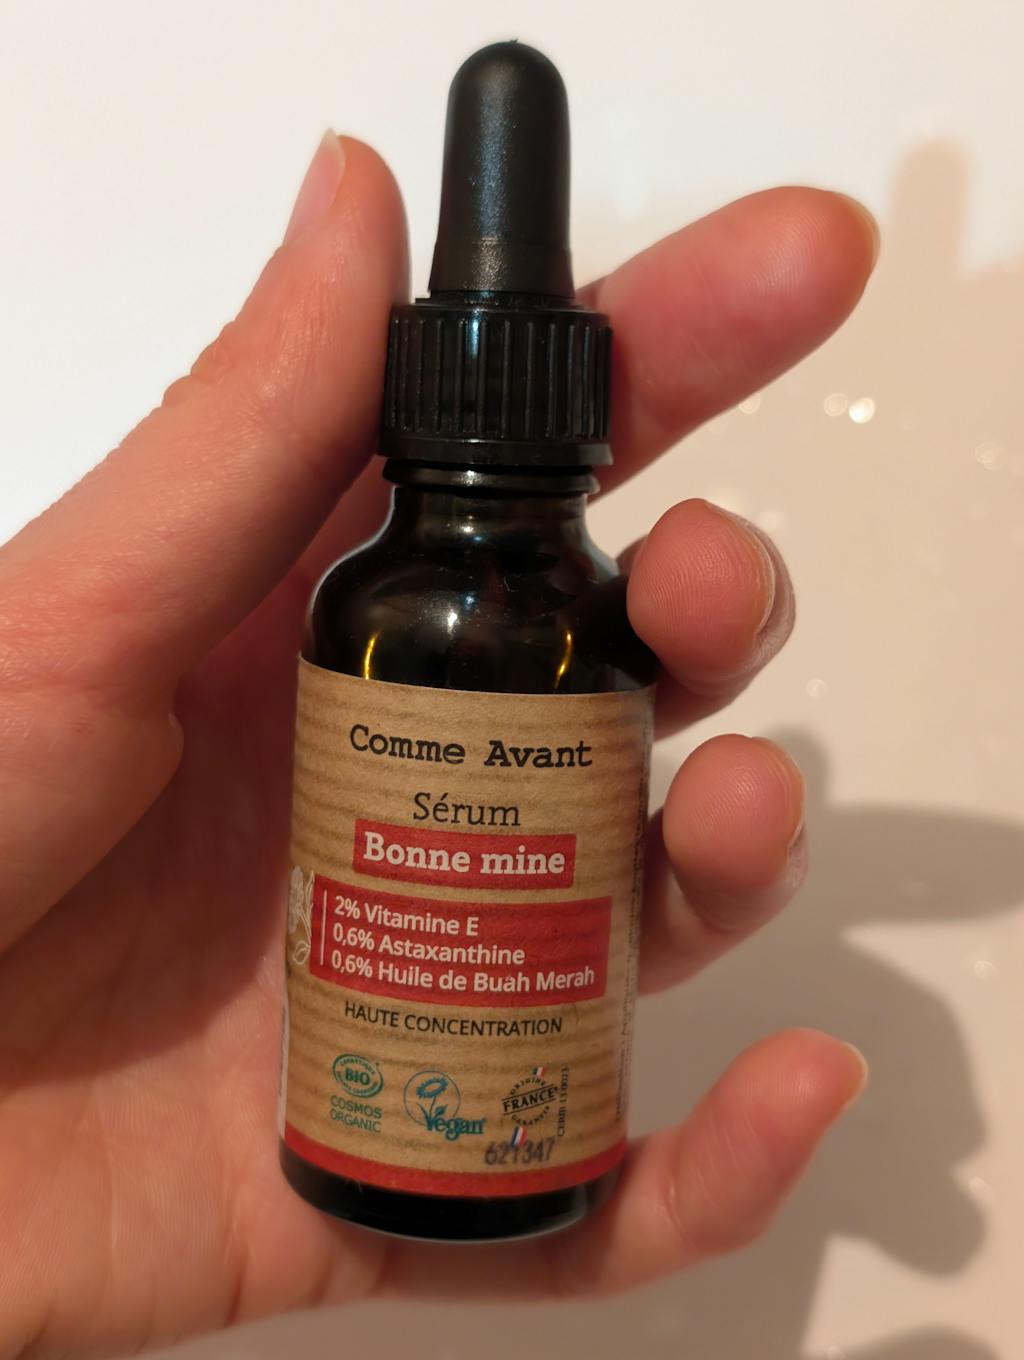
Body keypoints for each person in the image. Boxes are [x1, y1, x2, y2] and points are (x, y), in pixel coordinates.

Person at [0, 134, 877, 1355]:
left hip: (534, 1128)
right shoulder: (365, 606)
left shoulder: (591, 620)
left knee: (709, 646)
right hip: (321, 1115)